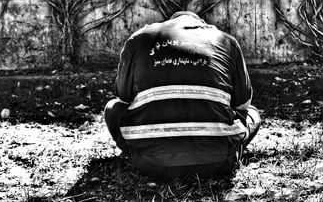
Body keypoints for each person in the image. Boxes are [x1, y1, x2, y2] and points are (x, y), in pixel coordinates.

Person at [104, 11, 261, 180]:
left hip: (150, 162)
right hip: (219, 162)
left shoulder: (140, 38)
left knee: (112, 108)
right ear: (201, 24)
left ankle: (142, 147)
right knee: (252, 113)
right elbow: (242, 104)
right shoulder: (227, 42)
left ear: (170, 23)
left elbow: (123, 98)